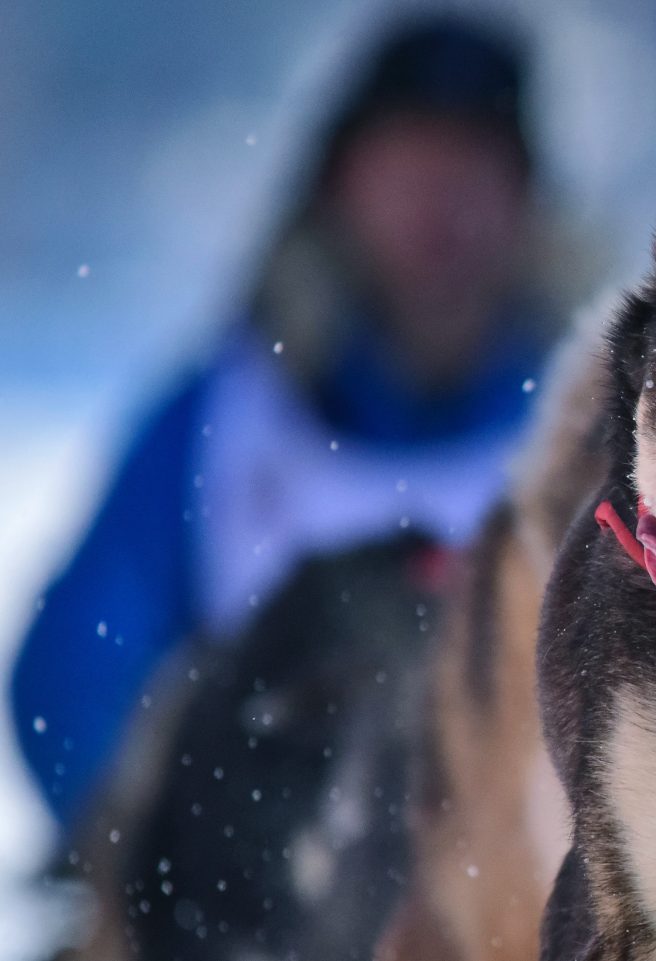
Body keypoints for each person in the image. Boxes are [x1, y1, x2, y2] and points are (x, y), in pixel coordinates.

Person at [9, 14, 589, 828]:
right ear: (338, 185)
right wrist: (163, 853)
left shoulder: (607, 437)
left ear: (527, 206)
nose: (442, 210)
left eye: (474, 173)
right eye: (410, 167)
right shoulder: (226, 417)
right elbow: (73, 679)